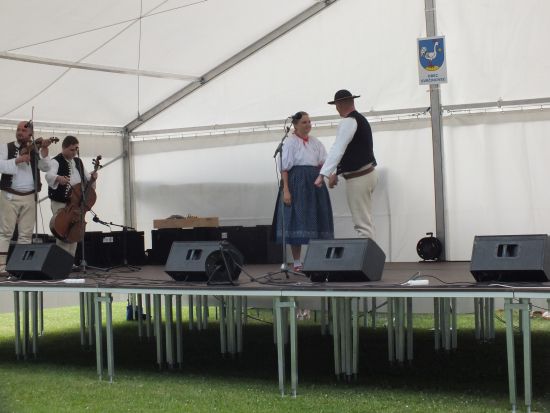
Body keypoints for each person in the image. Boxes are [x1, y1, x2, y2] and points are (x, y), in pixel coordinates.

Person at [274, 111, 334, 272]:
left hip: (315, 183)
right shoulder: (290, 143)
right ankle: (297, 262)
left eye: (309, 122)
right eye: (304, 122)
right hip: (297, 183)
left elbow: (324, 162)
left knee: (318, 218)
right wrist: (286, 190)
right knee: (297, 220)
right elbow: (284, 168)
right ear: (295, 125)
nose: (308, 125)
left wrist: (330, 176)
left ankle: (318, 260)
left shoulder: (315, 142)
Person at [314, 89, 378, 239]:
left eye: (336, 105)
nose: (336, 109)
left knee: (363, 225)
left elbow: (338, 149)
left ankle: (367, 254)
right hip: (366, 174)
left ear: (340, 104)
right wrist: (336, 173)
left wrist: (322, 175)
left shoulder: (349, 121)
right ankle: (369, 252)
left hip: (359, 178)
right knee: (366, 221)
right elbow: (351, 151)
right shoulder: (359, 119)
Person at [0, 121, 52, 275]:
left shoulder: (35, 148)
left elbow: (46, 167)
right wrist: (17, 160)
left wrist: (44, 150)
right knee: (5, 232)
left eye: (23, 130)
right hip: (9, 194)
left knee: (26, 234)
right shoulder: (6, 147)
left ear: (31, 134)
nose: (20, 132)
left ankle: (20, 267)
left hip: (30, 195)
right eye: (18, 130)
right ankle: (1, 267)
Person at [45, 135, 98, 256]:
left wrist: (93, 177)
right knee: (62, 232)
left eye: (76, 149)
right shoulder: (56, 161)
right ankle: (61, 262)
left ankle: (70, 261)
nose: (74, 152)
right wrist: (58, 178)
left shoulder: (78, 162)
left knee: (74, 233)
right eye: (71, 149)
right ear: (64, 148)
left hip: (76, 203)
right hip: (61, 202)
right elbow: (49, 175)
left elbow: (87, 179)